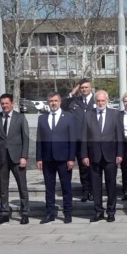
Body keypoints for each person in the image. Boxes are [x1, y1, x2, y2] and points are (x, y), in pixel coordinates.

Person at [80, 90, 124, 222]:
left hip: (110, 156)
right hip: (94, 156)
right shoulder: (88, 115)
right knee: (96, 186)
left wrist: (120, 154)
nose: (100, 103)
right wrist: (84, 155)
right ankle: (98, 211)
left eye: (103, 100)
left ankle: (111, 211)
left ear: (107, 100)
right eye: (98, 101)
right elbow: (84, 137)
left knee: (111, 185)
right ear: (95, 101)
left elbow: (119, 136)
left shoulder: (115, 114)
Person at [0, 93, 30, 225]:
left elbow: (26, 138)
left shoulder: (20, 118)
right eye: (2, 104)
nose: (5, 106)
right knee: (3, 188)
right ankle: (4, 212)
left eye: (7, 103)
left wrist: (24, 156)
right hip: (2, 159)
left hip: (17, 157)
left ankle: (25, 213)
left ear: (12, 103)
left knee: (22, 187)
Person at [37, 92, 78, 224]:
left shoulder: (69, 117)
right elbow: (39, 140)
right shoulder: (42, 119)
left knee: (66, 187)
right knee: (49, 188)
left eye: (55, 100)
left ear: (60, 102)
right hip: (47, 159)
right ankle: (49, 213)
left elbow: (72, 139)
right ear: (47, 102)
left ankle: (67, 213)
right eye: (51, 101)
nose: (53, 103)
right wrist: (39, 158)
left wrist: (71, 158)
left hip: (64, 158)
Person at [63, 78, 94, 202]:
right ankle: (85, 191)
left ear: (90, 87)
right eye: (82, 87)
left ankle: (93, 191)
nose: (84, 89)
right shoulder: (75, 101)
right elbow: (62, 105)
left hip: (92, 139)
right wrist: (72, 93)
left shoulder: (96, 100)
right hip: (78, 139)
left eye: (86, 87)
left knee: (91, 167)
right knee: (82, 167)